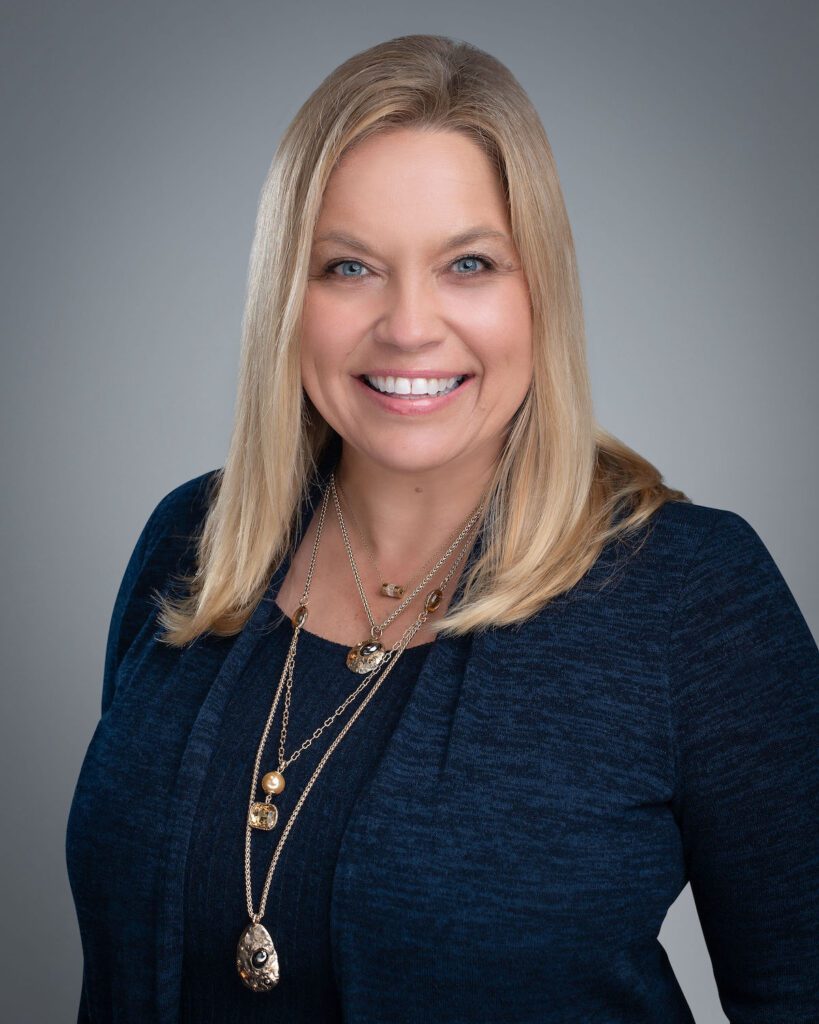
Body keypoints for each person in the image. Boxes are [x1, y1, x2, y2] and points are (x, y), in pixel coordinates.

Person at [65, 33, 819, 1023]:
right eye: (349, 267)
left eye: (469, 262)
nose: (410, 325)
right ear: (285, 298)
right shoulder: (187, 546)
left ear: (537, 289)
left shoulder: (693, 597)